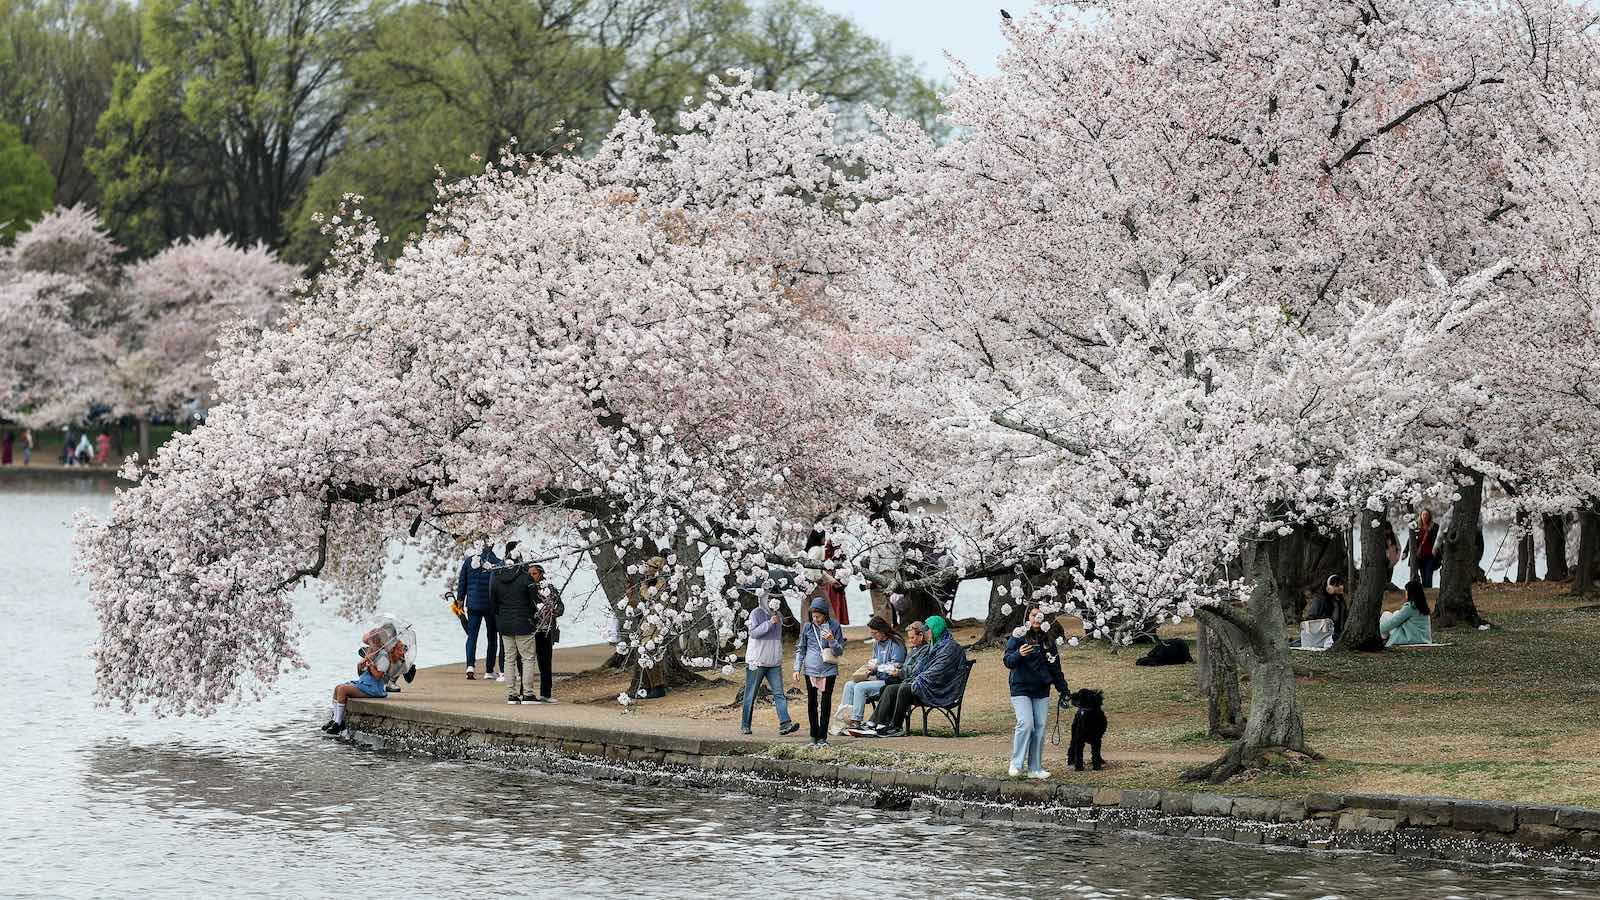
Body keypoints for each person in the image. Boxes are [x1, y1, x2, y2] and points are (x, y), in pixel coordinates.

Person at [850, 615, 965, 738]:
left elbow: (937, 671)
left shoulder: (949, 647)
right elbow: (923, 668)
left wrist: (916, 680)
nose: (926, 632)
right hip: (928, 684)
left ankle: (896, 726)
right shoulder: (936, 645)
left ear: (936, 629)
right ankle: (875, 723)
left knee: (905, 688)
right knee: (890, 688)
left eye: (928, 629)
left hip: (941, 689)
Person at [1004, 607, 1070, 778]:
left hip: (1041, 689)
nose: (1037, 618)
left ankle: (1035, 768)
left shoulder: (1048, 640)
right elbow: (1008, 661)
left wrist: (1064, 691)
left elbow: (1055, 669)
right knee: (1026, 723)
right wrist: (1018, 654)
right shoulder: (1018, 636)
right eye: (1034, 615)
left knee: (1039, 728)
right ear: (1028, 617)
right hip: (1021, 687)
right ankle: (1016, 763)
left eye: (1040, 615)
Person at [832, 616, 905, 735]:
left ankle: (856, 722)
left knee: (860, 688)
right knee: (849, 685)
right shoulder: (877, 643)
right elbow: (875, 660)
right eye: (871, 632)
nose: (873, 635)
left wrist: (878, 668)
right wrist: (870, 669)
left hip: (890, 681)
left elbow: (895, 667)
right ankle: (844, 721)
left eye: (874, 632)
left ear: (882, 631)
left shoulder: (896, 643)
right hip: (879, 678)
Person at [741, 597, 800, 736]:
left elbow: (777, 637)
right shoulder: (756, 613)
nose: (772, 600)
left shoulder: (778, 614)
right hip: (757, 661)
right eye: (769, 598)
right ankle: (745, 725)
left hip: (774, 662)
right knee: (751, 693)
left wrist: (779, 620)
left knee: (779, 693)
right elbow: (754, 633)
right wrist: (769, 623)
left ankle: (785, 724)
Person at [322, 625, 396, 733]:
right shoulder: (371, 655)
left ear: (377, 643)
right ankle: (334, 719)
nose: (369, 646)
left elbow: (378, 676)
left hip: (374, 689)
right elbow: (361, 675)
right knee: (338, 688)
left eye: (370, 643)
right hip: (365, 684)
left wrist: (371, 667)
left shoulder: (383, 658)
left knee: (343, 690)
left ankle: (339, 723)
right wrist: (360, 667)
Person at [794, 597, 847, 746]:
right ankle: (813, 735)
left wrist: (831, 640)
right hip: (810, 669)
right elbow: (801, 648)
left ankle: (823, 737)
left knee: (825, 703)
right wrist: (797, 668)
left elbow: (839, 651)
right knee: (812, 703)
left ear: (825, 615)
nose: (815, 619)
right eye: (813, 616)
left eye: (818, 616)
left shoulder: (834, 626)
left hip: (828, 669)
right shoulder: (807, 627)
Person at [491, 549, 541, 704]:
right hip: (523, 623)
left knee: (509, 659)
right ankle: (527, 693)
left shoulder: (497, 579)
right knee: (527, 658)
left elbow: (493, 603)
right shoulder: (526, 579)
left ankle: (511, 694)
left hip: (505, 624)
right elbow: (535, 603)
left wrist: (502, 615)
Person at [626, 556, 672, 699]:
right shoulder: (650, 582)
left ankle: (657, 687)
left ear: (657, 569)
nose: (646, 569)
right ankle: (645, 687)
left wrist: (643, 586)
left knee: (650, 651)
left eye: (650, 567)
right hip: (648, 622)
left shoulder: (662, 583)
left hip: (657, 624)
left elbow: (648, 595)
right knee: (642, 652)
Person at [456, 543, 503, 681]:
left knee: (472, 636)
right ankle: (489, 670)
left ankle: (470, 666)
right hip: (490, 605)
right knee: (492, 637)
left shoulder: (469, 561)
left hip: (473, 604)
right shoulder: (498, 562)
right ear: (493, 545)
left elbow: (462, 583)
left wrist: (460, 601)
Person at [530, 564, 565, 702]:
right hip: (531, 630)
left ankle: (546, 693)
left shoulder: (550, 589)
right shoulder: (528, 589)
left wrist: (555, 612)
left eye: (534, 573)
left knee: (545, 662)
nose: (531, 576)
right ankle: (526, 692)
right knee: (527, 662)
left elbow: (561, 606)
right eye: (530, 573)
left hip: (547, 630)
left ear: (541, 574)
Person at [1381, 581, 1434, 647]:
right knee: (1396, 613)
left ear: (1410, 592)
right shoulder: (1422, 606)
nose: (1405, 593)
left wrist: (1378, 629)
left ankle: (1382, 639)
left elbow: (1393, 622)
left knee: (1386, 615)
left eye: (1406, 591)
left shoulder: (1411, 607)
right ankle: (1383, 638)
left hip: (1411, 639)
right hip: (1423, 638)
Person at [1304, 574, 1348, 643]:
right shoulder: (1320, 599)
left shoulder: (1340, 601)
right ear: (1328, 587)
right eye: (1337, 585)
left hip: (1338, 634)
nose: (1340, 587)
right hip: (1324, 635)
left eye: (1341, 584)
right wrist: (1327, 619)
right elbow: (1310, 618)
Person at [1408, 510, 1442, 588]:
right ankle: (1425, 590)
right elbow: (1410, 540)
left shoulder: (1434, 527)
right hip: (1420, 555)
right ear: (1421, 516)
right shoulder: (1416, 526)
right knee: (1423, 574)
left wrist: (1441, 553)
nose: (1425, 516)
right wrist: (1405, 552)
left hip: (1431, 555)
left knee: (1428, 573)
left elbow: (1439, 539)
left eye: (1426, 515)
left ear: (1429, 516)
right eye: (1423, 515)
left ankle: (1428, 589)